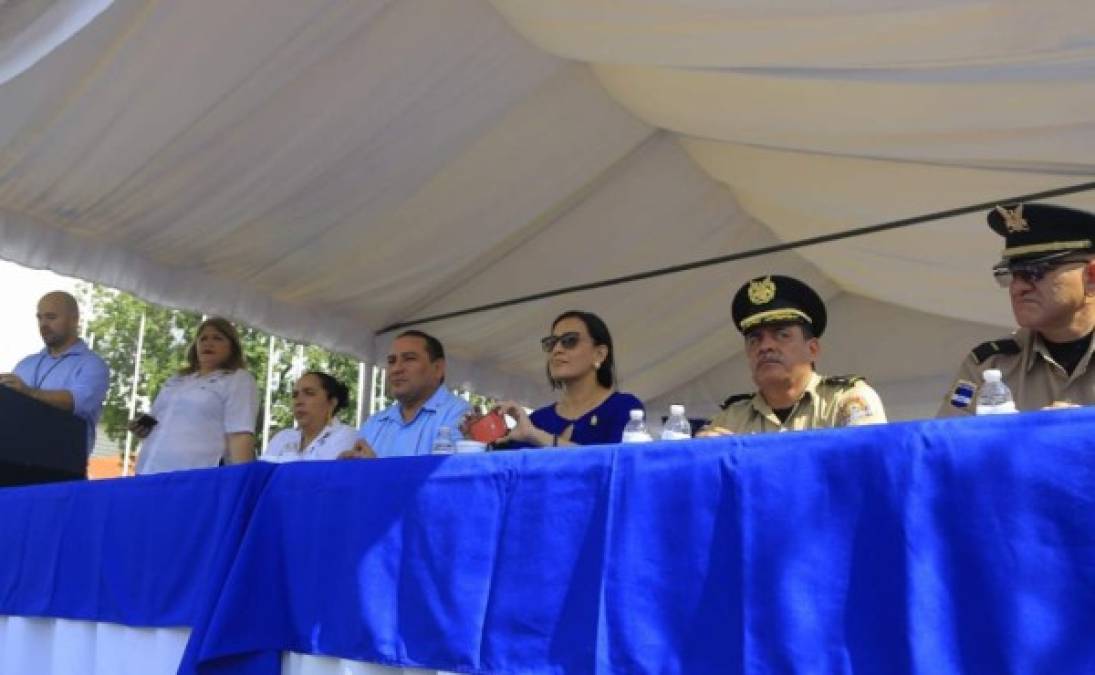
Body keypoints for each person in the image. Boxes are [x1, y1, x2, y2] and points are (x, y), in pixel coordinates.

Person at [938, 203, 1095, 416]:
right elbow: (953, 444)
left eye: (1035, 272)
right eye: (1011, 274)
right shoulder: (989, 366)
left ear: (1091, 276)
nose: (1018, 287)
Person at [698, 275, 886, 435]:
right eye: (755, 339)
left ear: (812, 349)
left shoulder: (847, 400)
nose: (765, 346)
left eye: (782, 335)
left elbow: (867, 463)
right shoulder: (730, 419)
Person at [491, 310, 643, 448]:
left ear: (599, 354)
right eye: (551, 343)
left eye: (570, 340)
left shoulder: (624, 408)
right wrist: (481, 437)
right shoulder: (537, 420)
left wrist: (537, 436)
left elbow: (614, 467)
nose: (557, 350)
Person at [134, 317, 259, 474]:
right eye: (203, 339)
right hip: (148, 469)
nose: (208, 343)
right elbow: (155, 419)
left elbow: (240, 433)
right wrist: (141, 427)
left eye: (217, 338)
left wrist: (242, 481)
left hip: (193, 475)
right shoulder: (177, 379)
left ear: (232, 347)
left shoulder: (237, 379)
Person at [0, 291, 109, 454]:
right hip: (14, 458)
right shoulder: (26, 364)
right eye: (40, 317)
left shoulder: (92, 365)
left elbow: (75, 403)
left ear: (74, 320)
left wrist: (27, 393)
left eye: (51, 317)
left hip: (62, 465)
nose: (43, 324)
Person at [342, 330, 470, 459]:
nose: (396, 369)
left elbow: (454, 476)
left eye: (409, 359)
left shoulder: (460, 416)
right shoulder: (374, 424)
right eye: (391, 361)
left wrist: (376, 471)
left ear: (438, 368)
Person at [261, 371, 358, 462]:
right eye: (295, 395)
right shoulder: (282, 437)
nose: (298, 401)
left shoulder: (345, 436)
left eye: (309, 393)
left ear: (332, 403)